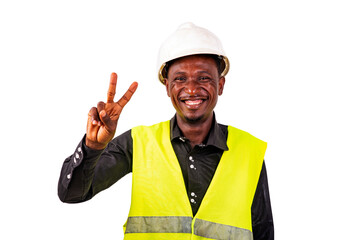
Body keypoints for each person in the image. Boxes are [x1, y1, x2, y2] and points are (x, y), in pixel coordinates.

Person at [58, 22, 274, 240]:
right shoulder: (138, 142)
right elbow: (71, 193)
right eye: (180, 78)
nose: (191, 89)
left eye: (204, 78)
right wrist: (92, 147)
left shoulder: (249, 151)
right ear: (168, 86)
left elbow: (263, 232)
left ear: (221, 84)